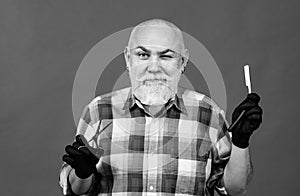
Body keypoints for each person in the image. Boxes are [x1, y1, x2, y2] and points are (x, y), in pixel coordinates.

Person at [59, 19, 263, 196]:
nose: (154, 67)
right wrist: (82, 174)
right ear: (127, 59)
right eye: (143, 55)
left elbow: (235, 189)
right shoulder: (98, 112)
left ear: (182, 62)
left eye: (166, 56)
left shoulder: (208, 113)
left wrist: (240, 143)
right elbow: (78, 190)